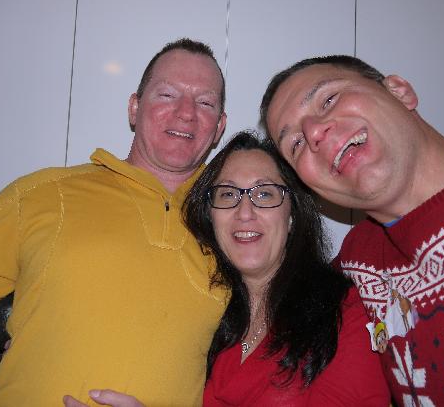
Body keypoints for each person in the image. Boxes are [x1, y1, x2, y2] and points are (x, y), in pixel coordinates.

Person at [0, 38, 229, 406]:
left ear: (219, 126)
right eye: (167, 94)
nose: (185, 111)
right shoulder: (46, 196)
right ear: (134, 107)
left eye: (205, 102)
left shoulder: (235, 226)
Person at [65, 131, 390, 406]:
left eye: (265, 193)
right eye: (228, 194)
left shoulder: (342, 312)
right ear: (211, 217)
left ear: (292, 215)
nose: (244, 212)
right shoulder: (207, 318)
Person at [261, 55, 444, 406]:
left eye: (328, 99)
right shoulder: (358, 266)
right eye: (296, 144)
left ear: (399, 91)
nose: (314, 133)